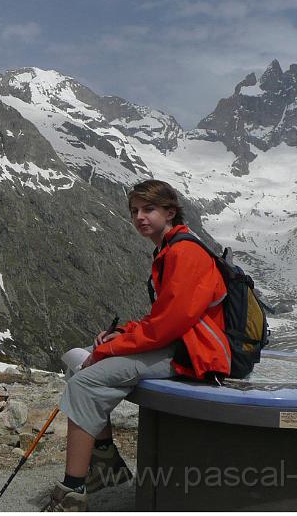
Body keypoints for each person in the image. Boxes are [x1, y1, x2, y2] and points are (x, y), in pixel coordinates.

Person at [42, 179, 232, 512]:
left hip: (195, 355)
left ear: (170, 212)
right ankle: (105, 465)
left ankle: (73, 491)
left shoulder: (184, 252)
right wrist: (122, 333)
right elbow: (164, 316)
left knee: (85, 380)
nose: (140, 218)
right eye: (134, 211)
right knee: (83, 363)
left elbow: (168, 325)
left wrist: (109, 349)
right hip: (180, 345)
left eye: (149, 210)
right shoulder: (171, 248)